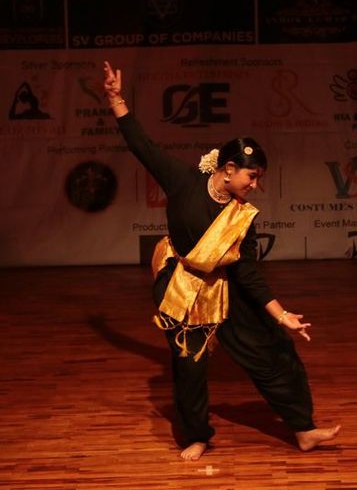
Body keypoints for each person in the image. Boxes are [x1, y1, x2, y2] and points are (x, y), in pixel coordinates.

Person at [103, 61, 341, 461]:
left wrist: (281, 315)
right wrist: (115, 98)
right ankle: (197, 436)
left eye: (259, 177)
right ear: (229, 169)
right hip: (182, 284)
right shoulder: (183, 182)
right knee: (189, 365)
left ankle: (303, 429)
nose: (256, 185)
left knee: (271, 350)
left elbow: (247, 271)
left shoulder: (242, 216)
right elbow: (142, 145)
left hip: (225, 284)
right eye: (252, 176)